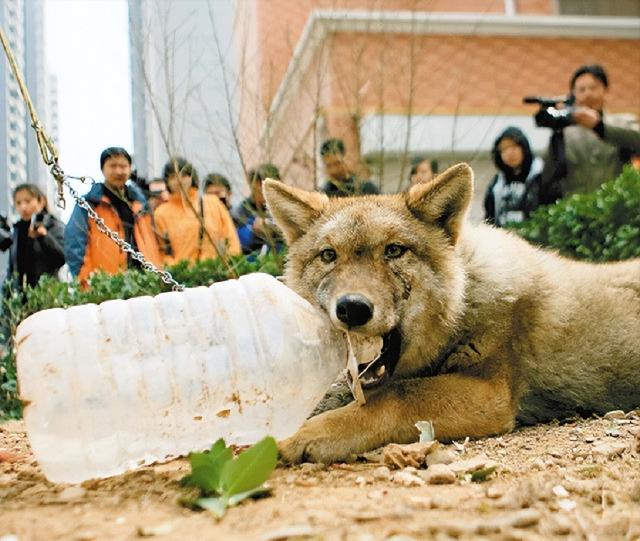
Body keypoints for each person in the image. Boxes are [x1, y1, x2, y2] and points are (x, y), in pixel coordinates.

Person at [541, 64, 640, 202]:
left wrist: (599, 127)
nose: (588, 93)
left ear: (605, 89)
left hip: (615, 209)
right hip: (575, 212)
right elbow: (548, 174)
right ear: (573, 95)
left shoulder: (622, 123)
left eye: (593, 88)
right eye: (581, 89)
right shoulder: (564, 134)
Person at [65, 147, 162, 285]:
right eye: (112, 166)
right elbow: (74, 243)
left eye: (123, 166)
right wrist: (84, 280)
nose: (118, 171)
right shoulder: (89, 204)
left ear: (129, 168)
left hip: (145, 278)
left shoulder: (140, 204)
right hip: (106, 283)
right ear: (102, 169)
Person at [153, 157, 240, 265]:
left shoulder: (213, 203)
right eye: (173, 177)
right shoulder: (161, 214)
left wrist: (230, 264)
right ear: (167, 182)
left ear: (191, 177)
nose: (179, 180)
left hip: (218, 272)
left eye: (184, 175)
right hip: (184, 278)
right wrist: (178, 269)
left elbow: (230, 238)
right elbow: (160, 252)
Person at [5, 184, 65, 290]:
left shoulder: (53, 224)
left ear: (40, 202)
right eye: (18, 203)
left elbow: (62, 258)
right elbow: (12, 269)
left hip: (48, 293)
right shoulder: (17, 230)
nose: (23, 207)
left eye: (28, 201)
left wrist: (44, 237)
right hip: (23, 297)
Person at [484, 127, 543, 227]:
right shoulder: (497, 184)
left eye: (514, 146)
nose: (509, 153)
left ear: (524, 147)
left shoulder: (541, 176)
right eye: (504, 149)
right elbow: (489, 216)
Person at [232, 163, 283, 255]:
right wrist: (254, 232)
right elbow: (240, 243)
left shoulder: (282, 210)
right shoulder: (241, 212)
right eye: (261, 184)